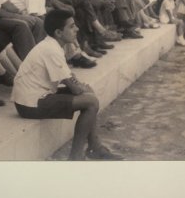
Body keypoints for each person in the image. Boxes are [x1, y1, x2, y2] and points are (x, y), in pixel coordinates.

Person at [11, 9, 123, 161]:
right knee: (91, 101)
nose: (76, 29)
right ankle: (76, 156)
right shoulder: (51, 50)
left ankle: (95, 147)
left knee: (89, 94)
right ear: (58, 32)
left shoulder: (53, 45)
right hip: (30, 104)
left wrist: (81, 86)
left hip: (35, 97)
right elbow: (74, 87)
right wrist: (81, 87)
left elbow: (70, 77)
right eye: (71, 26)